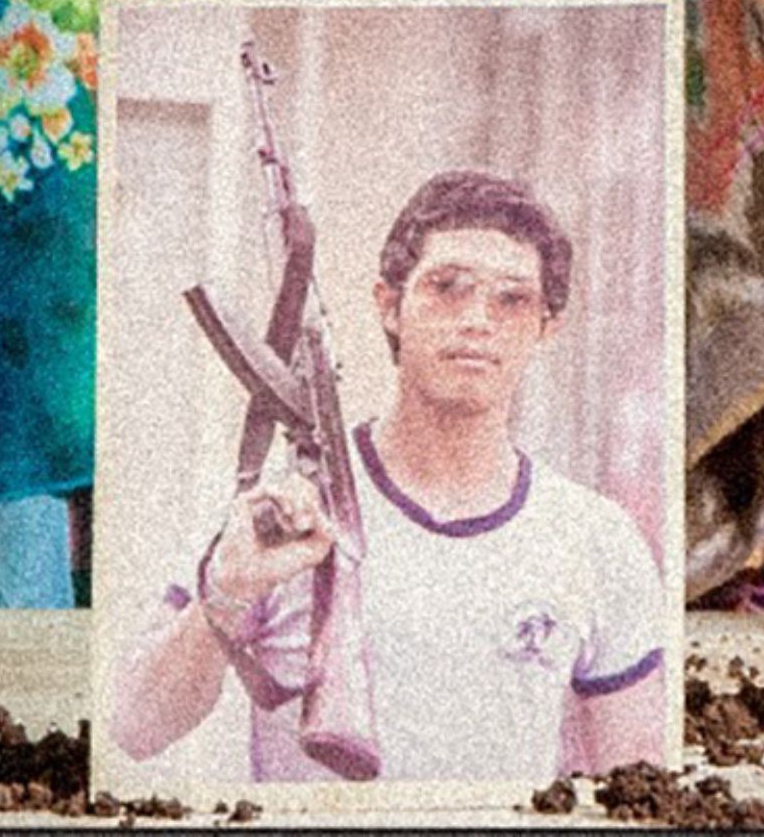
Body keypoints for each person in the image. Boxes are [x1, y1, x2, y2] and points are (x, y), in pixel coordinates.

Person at [110, 168, 669, 784]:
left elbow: (638, 782)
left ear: (546, 327)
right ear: (389, 304)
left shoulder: (598, 539)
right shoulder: (284, 512)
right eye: (447, 287)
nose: (478, 320)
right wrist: (229, 590)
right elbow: (136, 727)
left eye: (512, 299)